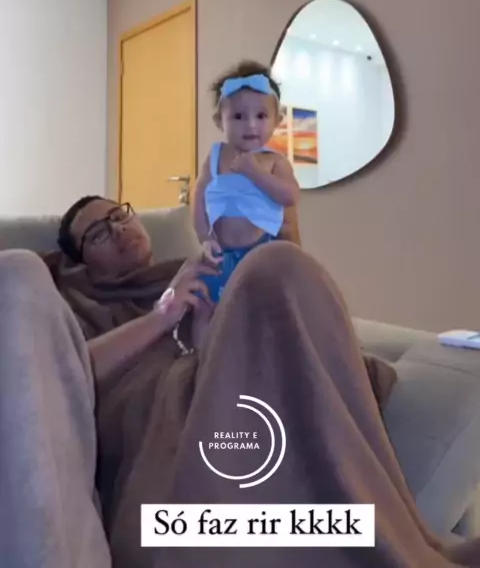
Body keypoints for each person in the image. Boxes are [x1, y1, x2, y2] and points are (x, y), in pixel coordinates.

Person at [1, 196, 480, 567]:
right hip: (152, 405)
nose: (120, 229)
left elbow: (237, 339)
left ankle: (373, 532)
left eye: (120, 215)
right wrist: (163, 315)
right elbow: (60, 374)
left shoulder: (194, 268)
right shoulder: (75, 303)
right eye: (99, 233)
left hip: (226, 379)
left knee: (280, 266)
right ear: (81, 260)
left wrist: (212, 325)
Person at [193, 60, 301, 302]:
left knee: (260, 304)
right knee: (210, 302)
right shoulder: (216, 156)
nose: (250, 125)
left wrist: (255, 173)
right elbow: (199, 197)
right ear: (219, 121)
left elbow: (290, 196)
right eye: (238, 116)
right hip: (221, 253)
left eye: (261, 116)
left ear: (277, 120)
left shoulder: (274, 161)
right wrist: (204, 237)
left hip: (262, 250)